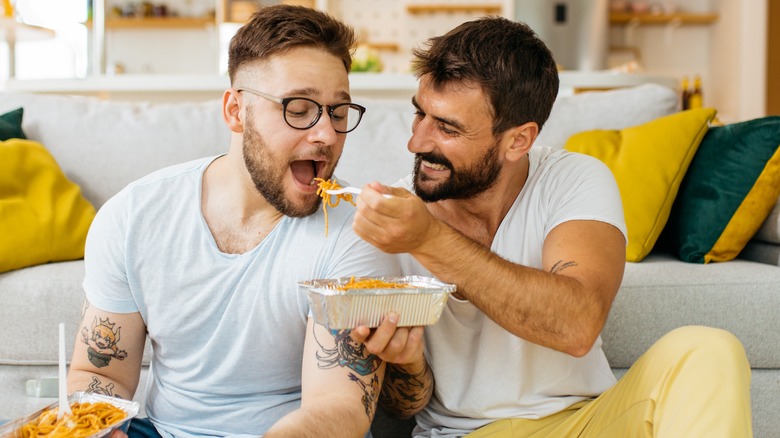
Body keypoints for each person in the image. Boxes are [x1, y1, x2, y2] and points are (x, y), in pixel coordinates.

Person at [350, 16, 753, 437]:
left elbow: (577, 325)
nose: (416, 142)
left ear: (518, 141)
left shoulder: (572, 179)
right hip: (468, 433)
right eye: (420, 115)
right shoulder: (390, 220)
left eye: (447, 127)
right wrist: (405, 362)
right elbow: (402, 405)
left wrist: (430, 241)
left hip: (586, 424)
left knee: (709, 350)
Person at [67, 5, 403, 437]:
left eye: (338, 112)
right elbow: (103, 376)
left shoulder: (355, 232)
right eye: (299, 108)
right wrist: (98, 429)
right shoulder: (133, 217)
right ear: (235, 111)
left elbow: (341, 409)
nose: (327, 135)